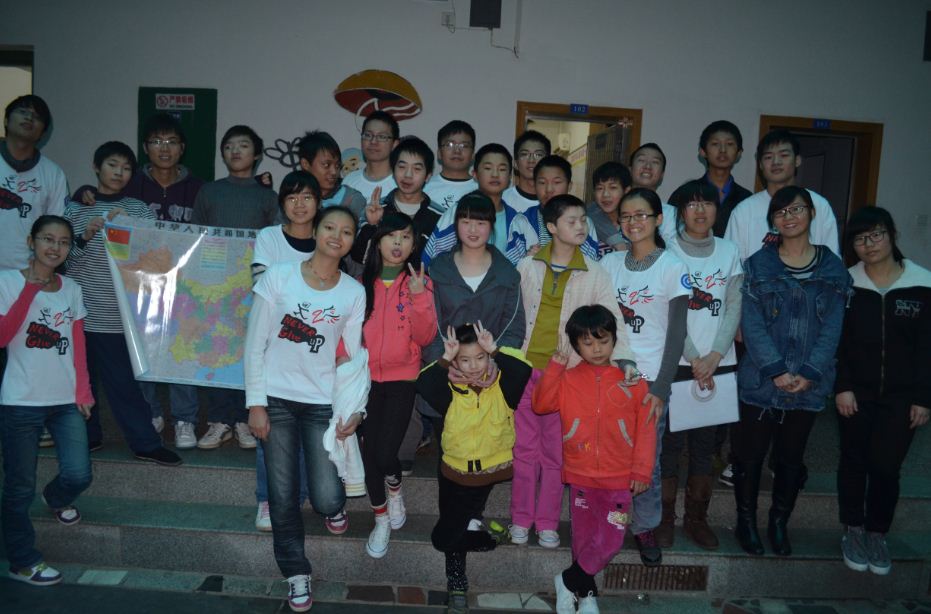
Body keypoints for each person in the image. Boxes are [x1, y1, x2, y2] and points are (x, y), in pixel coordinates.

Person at [245, 206, 366, 612]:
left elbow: (352, 359)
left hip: (321, 403)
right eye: (330, 227)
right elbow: (255, 344)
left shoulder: (353, 291)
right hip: (276, 399)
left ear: (352, 241)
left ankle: (331, 508)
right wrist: (256, 403)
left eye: (346, 231)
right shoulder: (278, 276)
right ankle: (296, 572)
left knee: (328, 498)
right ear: (315, 231)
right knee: (282, 495)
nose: (337, 236)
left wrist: (356, 410)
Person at [511, 194, 636, 550]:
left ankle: (547, 523)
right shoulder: (527, 265)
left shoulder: (595, 272)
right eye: (571, 221)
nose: (580, 226)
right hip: (525, 369)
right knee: (523, 450)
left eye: (583, 220)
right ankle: (520, 519)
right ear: (552, 227)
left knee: (555, 453)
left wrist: (625, 359)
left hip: (567, 375)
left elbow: (614, 321)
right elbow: (512, 313)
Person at [733, 185, 850, 557]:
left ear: (811, 213)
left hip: (808, 383)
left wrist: (811, 371)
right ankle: (746, 522)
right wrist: (776, 370)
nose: (789, 217)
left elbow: (834, 326)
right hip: (761, 380)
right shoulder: (758, 265)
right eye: (781, 212)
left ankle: (779, 522)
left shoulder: (832, 268)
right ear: (773, 221)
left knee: (790, 457)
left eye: (796, 209)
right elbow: (751, 324)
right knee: (749, 455)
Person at [72, 113, 204, 445]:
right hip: (120, 297)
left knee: (178, 352)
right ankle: (148, 415)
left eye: (171, 141)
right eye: (157, 141)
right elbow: (72, 250)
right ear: (146, 147)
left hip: (178, 287)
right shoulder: (113, 194)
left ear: (182, 147)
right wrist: (84, 204)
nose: (164, 148)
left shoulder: (195, 189)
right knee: (132, 358)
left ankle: (183, 420)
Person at [64, 141, 182, 466]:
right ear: (96, 167)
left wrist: (133, 229)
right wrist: (84, 237)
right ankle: (87, 438)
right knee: (80, 381)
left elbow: (158, 260)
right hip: (78, 313)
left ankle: (145, 443)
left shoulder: (138, 210)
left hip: (121, 316)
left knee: (124, 385)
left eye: (126, 167)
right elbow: (64, 262)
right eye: (112, 165)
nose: (119, 172)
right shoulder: (75, 210)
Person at [534, 305, 654, 614]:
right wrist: (556, 366)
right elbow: (541, 404)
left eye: (603, 340)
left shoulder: (633, 380)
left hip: (619, 480)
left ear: (614, 339)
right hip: (581, 476)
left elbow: (646, 427)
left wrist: (642, 470)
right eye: (587, 343)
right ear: (576, 346)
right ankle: (585, 594)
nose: (597, 349)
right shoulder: (568, 378)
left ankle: (567, 580)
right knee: (583, 539)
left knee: (612, 538)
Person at [835, 207, 930, 576]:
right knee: (854, 460)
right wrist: (842, 386)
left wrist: (923, 397)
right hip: (856, 393)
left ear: (892, 234)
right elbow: (839, 343)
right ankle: (853, 529)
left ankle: (877, 532)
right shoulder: (848, 283)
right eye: (860, 238)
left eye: (876, 234)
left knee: (887, 467)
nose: (869, 244)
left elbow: (927, 348)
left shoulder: (922, 284)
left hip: (903, 397)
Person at [1, 215, 93, 586]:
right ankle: (22, 561)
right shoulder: (7, 281)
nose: (55, 248)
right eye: (48, 239)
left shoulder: (72, 288)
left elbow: (78, 342)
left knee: (79, 473)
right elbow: (2, 337)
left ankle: (55, 498)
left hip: (66, 399)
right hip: (21, 400)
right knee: (18, 487)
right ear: (32, 241)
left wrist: (84, 390)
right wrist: (30, 290)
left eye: (64, 242)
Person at [599, 188, 689, 566]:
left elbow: (677, 334)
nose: (633, 222)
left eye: (641, 215)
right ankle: (612, 520)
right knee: (609, 455)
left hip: (650, 380)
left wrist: (662, 388)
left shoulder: (672, 267)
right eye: (626, 216)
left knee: (646, 459)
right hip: (609, 377)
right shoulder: (609, 264)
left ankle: (646, 525)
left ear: (658, 219)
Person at [417, 322, 532, 614]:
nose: (473, 366)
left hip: (488, 472)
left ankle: (472, 544)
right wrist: (445, 357)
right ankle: (459, 578)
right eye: (465, 359)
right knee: (452, 525)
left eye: (480, 357)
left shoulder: (504, 385)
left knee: (446, 535)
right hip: (453, 469)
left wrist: (495, 349)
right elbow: (424, 384)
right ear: (456, 361)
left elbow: (523, 370)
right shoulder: (449, 388)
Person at [657, 180, 743, 550]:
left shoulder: (729, 250)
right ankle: (663, 518)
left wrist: (714, 356)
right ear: (680, 212)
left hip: (718, 362)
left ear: (716, 209)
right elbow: (670, 311)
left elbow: (734, 305)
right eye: (691, 204)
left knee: (706, 446)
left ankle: (696, 518)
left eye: (706, 203)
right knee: (670, 444)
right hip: (677, 361)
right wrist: (694, 357)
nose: (700, 210)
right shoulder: (668, 251)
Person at [191, 124, 278, 451]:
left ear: (256, 154)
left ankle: (243, 419)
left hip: (254, 288)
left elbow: (274, 242)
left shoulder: (267, 196)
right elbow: (195, 239)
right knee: (217, 351)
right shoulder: (209, 192)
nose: (235, 151)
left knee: (249, 352)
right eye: (229, 146)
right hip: (215, 286)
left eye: (243, 145)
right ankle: (219, 420)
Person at [359, 212, 437, 558]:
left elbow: (425, 336)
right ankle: (381, 519)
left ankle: (394, 485)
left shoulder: (420, 282)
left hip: (402, 379)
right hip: (364, 380)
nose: (398, 243)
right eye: (391, 236)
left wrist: (419, 296)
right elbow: (346, 333)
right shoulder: (361, 282)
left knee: (384, 453)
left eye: (406, 237)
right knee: (368, 455)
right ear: (378, 242)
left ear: (413, 244)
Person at [250, 170, 321, 531]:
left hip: (315, 351)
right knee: (271, 432)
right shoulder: (269, 237)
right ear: (282, 203)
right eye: (292, 197)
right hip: (274, 347)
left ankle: (300, 497)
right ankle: (267, 500)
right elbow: (263, 286)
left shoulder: (326, 237)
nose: (299, 204)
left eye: (307, 197)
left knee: (309, 433)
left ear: (319, 202)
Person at [725, 129, 839, 262]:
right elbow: (732, 264)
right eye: (768, 157)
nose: (776, 162)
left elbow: (832, 261)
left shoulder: (819, 205)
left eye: (784, 155)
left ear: (797, 160)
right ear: (760, 164)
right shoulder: (744, 211)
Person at [423, 144, 537, 267]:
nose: (495, 174)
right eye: (488, 168)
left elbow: (533, 262)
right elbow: (434, 258)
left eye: (502, 169)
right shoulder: (457, 212)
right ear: (475, 174)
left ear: (510, 176)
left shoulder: (518, 221)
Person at [0, 96, 68, 272]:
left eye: (37, 117)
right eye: (23, 112)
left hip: (26, 273)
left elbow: (56, 230)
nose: (29, 118)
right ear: (6, 120)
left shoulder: (53, 174)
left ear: (43, 132)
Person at [354, 136, 443, 264]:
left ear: (428, 176)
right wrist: (372, 225)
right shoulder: (376, 208)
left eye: (417, 169)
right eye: (402, 167)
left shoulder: (439, 216)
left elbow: (441, 263)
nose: (408, 175)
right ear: (393, 170)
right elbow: (359, 257)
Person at [522, 155, 600, 260]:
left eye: (557, 182)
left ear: (569, 185)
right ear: (535, 186)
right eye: (542, 183)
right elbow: (512, 266)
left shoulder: (583, 222)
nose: (549, 189)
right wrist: (527, 260)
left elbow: (589, 263)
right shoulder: (522, 221)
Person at [696, 120, 752, 236]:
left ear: (739, 153)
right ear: (703, 151)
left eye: (729, 144)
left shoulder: (747, 199)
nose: (722, 150)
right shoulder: (685, 193)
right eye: (715, 144)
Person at [297, 130, 366, 221]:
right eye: (326, 165)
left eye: (337, 165)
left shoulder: (353, 199)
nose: (334, 172)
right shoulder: (291, 199)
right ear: (305, 164)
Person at [342, 110, 399, 201]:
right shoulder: (349, 181)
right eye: (368, 135)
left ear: (394, 144)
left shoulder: (402, 183)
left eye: (382, 137)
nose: (373, 141)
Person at [424, 120, 478, 212]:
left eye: (464, 146)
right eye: (450, 144)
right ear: (439, 153)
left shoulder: (482, 189)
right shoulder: (424, 187)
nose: (457, 151)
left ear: (473, 154)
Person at [628, 143, 677, 242]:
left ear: (662, 174)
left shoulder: (671, 214)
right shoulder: (613, 206)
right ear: (630, 169)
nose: (647, 166)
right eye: (641, 160)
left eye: (655, 162)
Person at [587, 161, 631, 257]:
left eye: (613, 187)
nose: (605, 194)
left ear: (626, 191)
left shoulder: (636, 224)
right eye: (600, 188)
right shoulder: (586, 223)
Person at [502, 130, 551, 213]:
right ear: (515, 163)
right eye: (524, 154)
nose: (531, 160)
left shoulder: (557, 202)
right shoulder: (503, 200)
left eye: (538, 155)